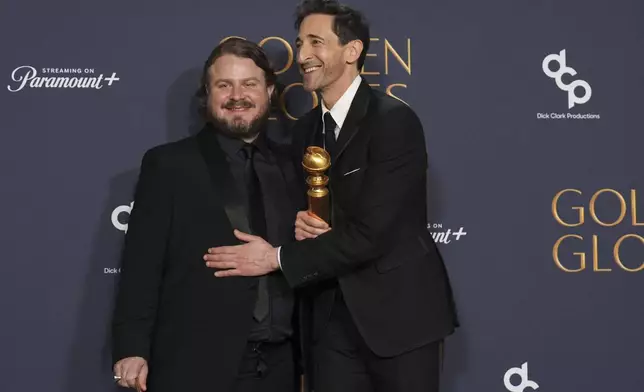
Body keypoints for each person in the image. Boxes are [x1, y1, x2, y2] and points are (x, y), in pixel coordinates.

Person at [203, 1, 459, 392]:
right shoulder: (304, 130)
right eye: (300, 42)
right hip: (327, 324)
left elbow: (374, 233)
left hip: (400, 321)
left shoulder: (393, 122)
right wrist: (300, 223)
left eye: (316, 42)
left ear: (352, 51)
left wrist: (275, 257)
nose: (302, 56)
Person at [111, 38, 304, 392]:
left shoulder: (295, 165)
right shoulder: (169, 165)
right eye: (224, 85)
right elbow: (141, 264)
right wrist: (132, 349)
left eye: (249, 84)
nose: (237, 95)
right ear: (208, 93)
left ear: (269, 91)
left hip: (282, 366)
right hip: (195, 363)